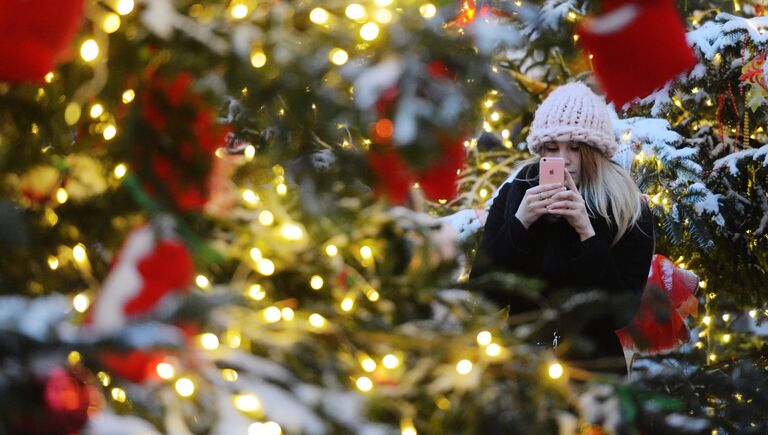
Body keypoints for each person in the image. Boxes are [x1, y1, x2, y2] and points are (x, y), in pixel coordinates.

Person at [471, 82, 655, 367]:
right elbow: (483, 296)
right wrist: (520, 224)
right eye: (552, 147)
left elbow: (621, 312)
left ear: (594, 151)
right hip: (521, 365)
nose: (563, 160)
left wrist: (587, 233)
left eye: (575, 147)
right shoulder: (516, 193)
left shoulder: (626, 206)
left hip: (594, 370)